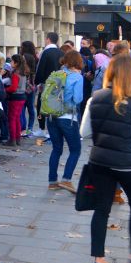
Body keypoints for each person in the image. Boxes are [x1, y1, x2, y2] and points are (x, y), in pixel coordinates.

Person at [81, 55, 131, 263]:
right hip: (128, 163)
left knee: (101, 209)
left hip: (100, 162)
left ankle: (99, 259)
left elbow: (84, 132)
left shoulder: (94, 98)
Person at [45, 50, 85, 191]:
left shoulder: (56, 74)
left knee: (56, 149)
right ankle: (66, 179)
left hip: (51, 116)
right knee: (75, 149)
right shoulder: (77, 77)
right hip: (67, 117)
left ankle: (52, 181)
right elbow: (77, 99)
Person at [32, 32, 63, 139]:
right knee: (54, 107)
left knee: (41, 106)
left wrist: (37, 82)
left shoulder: (46, 52)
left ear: (48, 39)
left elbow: (40, 68)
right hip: (59, 83)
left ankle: (42, 128)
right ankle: (52, 130)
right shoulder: (61, 52)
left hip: (46, 83)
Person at [4, 53, 29, 147]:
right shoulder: (23, 72)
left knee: (12, 119)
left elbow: (13, 88)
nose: (10, 63)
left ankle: (12, 139)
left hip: (15, 98)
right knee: (17, 118)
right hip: (22, 97)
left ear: (16, 63)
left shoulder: (15, 74)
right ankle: (17, 138)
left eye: (11, 61)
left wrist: (5, 90)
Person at [20, 40, 40, 134]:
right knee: (31, 107)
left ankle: (24, 128)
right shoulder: (35, 58)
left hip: (26, 84)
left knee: (23, 107)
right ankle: (30, 128)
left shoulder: (24, 57)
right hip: (32, 85)